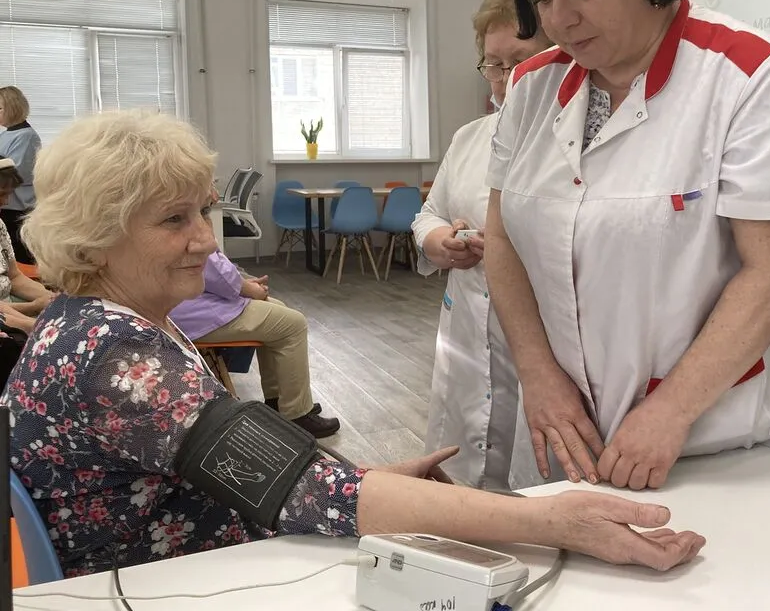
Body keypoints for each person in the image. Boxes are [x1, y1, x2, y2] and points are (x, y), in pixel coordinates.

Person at [1, 110, 705, 578]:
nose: (206, 241)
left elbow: (259, 470)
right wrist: (551, 522)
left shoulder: (97, 321)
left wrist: (376, 479)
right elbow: (302, 489)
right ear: (96, 235)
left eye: (203, 212)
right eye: (174, 221)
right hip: (164, 582)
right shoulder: (118, 359)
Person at [486, 0, 770, 492]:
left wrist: (670, 412)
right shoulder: (532, 86)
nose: (560, 19)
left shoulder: (750, 75)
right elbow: (502, 236)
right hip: (561, 428)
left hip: (703, 439)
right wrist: (537, 371)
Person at [411, 0, 551, 489]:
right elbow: (428, 214)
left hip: (543, 338)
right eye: (494, 64)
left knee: (535, 476)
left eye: (522, 61)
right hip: (469, 324)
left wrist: (514, 251)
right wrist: (440, 241)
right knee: (464, 472)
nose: (507, 78)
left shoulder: (576, 141)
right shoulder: (469, 137)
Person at [170, 213, 342, 438]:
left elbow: (217, 271)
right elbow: (216, 271)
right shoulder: (188, 219)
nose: (214, 195)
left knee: (279, 311)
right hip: (193, 313)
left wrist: (242, 283)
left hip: (191, 305)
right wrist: (249, 288)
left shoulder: (174, 217)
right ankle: (297, 414)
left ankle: (279, 401)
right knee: (293, 323)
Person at [0, 159, 54, 384]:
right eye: (2, 194)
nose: (6, 201)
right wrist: (33, 311)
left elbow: (14, 277)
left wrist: (50, 298)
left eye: (8, 194)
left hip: (10, 308)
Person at [0, 86, 42, 263]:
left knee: (20, 259)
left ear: (12, 107)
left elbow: (13, 174)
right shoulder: (5, 134)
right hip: (6, 208)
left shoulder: (26, 136)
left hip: (17, 210)